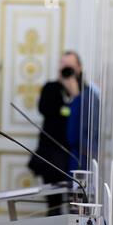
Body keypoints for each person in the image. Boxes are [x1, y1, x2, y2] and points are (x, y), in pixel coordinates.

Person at [28, 51, 80, 216]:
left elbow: (84, 117)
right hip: (52, 152)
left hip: (76, 154)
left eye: (69, 65)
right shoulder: (51, 87)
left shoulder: (84, 90)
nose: (64, 68)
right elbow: (44, 109)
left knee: (77, 204)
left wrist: (75, 93)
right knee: (54, 204)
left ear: (79, 68)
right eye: (62, 64)